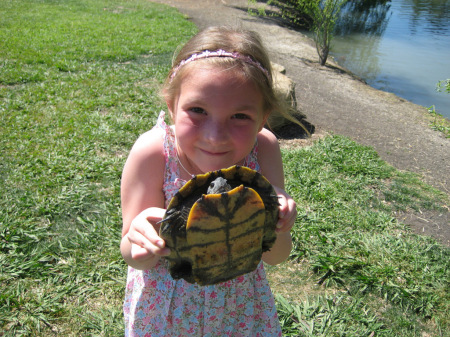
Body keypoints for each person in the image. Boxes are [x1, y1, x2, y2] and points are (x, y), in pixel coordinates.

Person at [120, 26, 297, 336]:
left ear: (264, 115)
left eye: (240, 116)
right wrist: (140, 240)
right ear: (171, 104)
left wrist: (279, 222)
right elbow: (134, 256)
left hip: (239, 307)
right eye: (197, 110)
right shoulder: (154, 152)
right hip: (169, 308)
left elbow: (276, 257)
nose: (215, 137)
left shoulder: (263, 147)